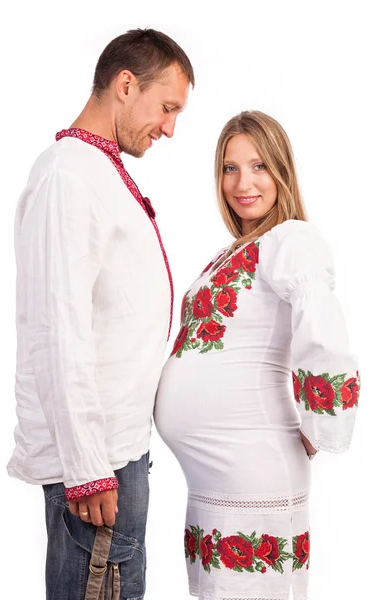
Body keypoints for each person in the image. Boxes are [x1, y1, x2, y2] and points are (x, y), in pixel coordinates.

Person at [7, 28, 194, 600]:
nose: (169, 128)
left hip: (119, 447)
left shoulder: (94, 169)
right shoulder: (69, 174)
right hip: (98, 463)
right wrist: (88, 466)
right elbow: (58, 327)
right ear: (125, 83)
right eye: (166, 107)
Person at [154, 110, 359, 600]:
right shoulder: (237, 249)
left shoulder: (292, 238)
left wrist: (319, 427)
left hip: (251, 466)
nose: (242, 182)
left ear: (282, 171)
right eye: (230, 168)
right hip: (217, 477)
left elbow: (323, 330)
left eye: (259, 166)